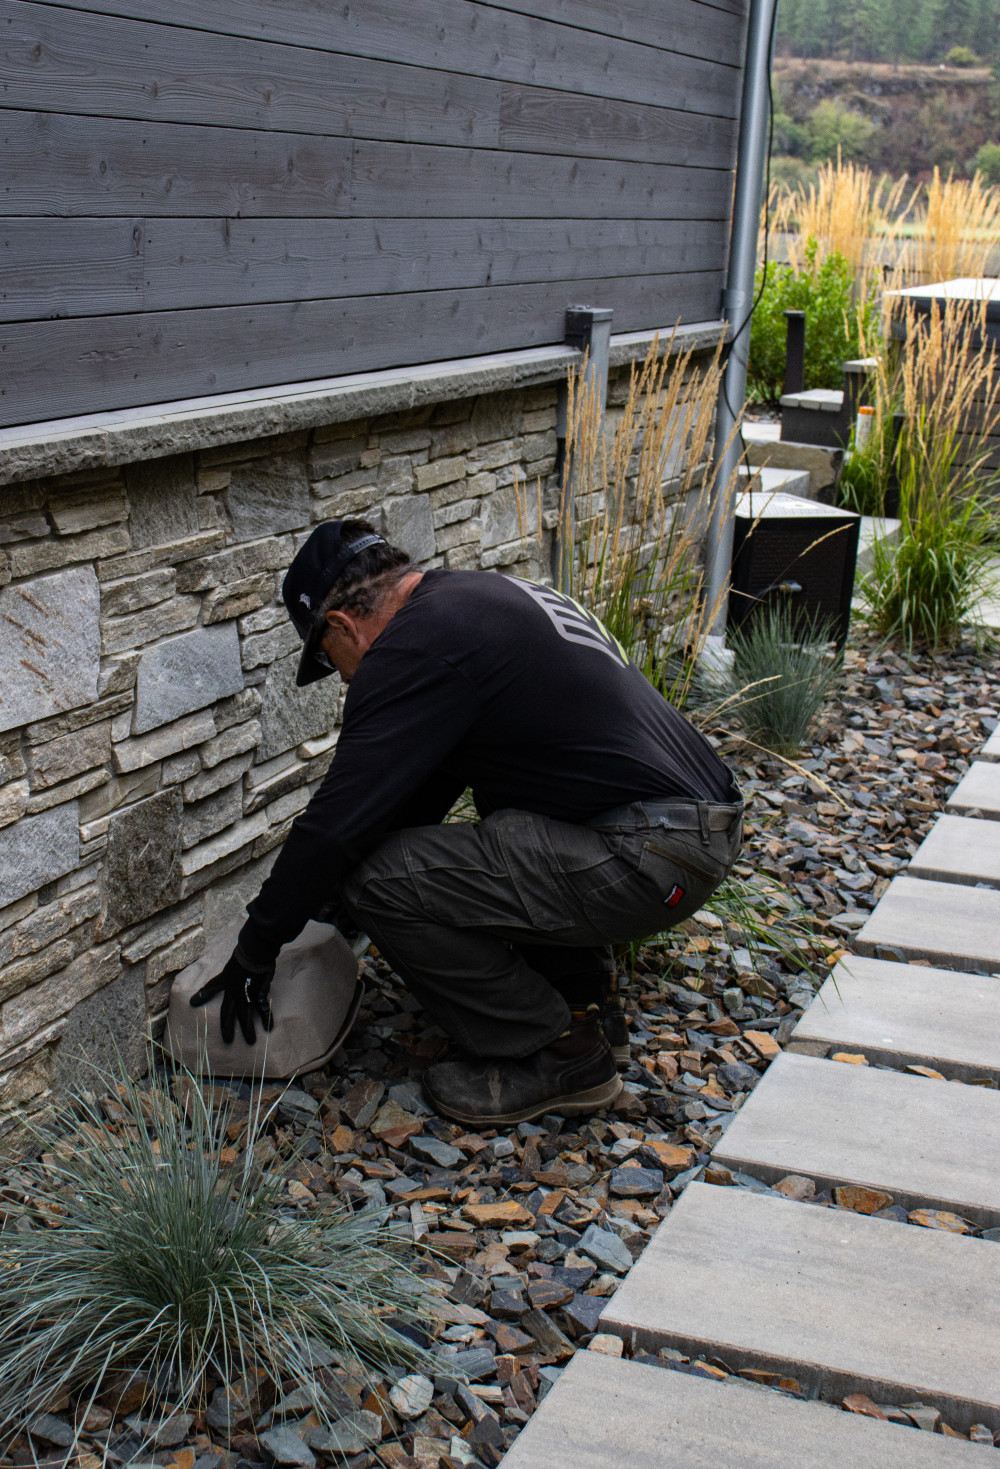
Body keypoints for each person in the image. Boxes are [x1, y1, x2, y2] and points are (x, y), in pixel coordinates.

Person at [191, 519, 744, 1125]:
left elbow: (334, 824)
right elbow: (422, 788)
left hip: (648, 855)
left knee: (377, 879)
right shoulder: (471, 602)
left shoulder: (415, 645)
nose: (346, 677)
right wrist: (331, 913)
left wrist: (255, 952)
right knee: (500, 808)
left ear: (343, 625)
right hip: (689, 834)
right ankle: (581, 1004)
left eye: (330, 659)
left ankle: (555, 1052)